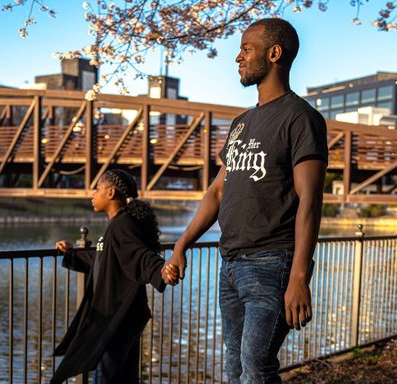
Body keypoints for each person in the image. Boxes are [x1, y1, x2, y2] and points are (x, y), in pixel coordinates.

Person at [165, 18, 328, 384]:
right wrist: (181, 245)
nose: (238, 57)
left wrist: (299, 276)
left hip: (273, 263)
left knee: (256, 367)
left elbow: (310, 199)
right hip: (232, 265)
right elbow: (217, 192)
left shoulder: (302, 118)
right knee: (234, 366)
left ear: (274, 54)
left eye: (246, 49)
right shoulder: (241, 122)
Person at [50, 169, 177, 384]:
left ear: (111, 193)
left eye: (97, 189)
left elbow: (140, 255)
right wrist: (72, 253)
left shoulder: (122, 225)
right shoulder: (119, 223)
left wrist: (162, 271)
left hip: (118, 318)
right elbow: (105, 257)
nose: (92, 195)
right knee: (124, 379)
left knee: (107, 379)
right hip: (125, 315)